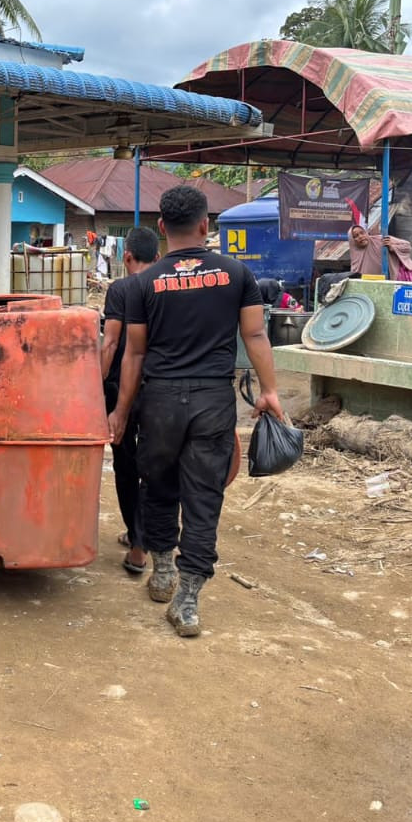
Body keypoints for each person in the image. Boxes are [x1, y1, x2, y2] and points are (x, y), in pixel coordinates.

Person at [108, 186, 284, 638]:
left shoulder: (141, 285)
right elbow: (256, 337)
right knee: (205, 497)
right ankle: (187, 602)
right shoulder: (235, 273)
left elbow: (133, 354)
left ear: (162, 227)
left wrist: (121, 411)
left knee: (159, 485)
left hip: (160, 400)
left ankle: (163, 571)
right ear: (206, 225)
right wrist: (270, 391)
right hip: (212, 401)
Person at [100, 226, 160, 575]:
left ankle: (138, 548)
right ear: (156, 257)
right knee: (154, 466)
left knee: (125, 463)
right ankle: (145, 538)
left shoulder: (121, 289)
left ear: (126, 257)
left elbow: (110, 344)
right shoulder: (165, 286)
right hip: (160, 388)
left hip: (120, 389)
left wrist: (93, 385)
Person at [348, 225, 412, 281]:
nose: (361, 236)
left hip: (396, 279)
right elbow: (355, 275)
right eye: (356, 236)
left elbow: (407, 246)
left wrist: (392, 247)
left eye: (362, 233)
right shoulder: (355, 256)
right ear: (352, 241)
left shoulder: (381, 240)